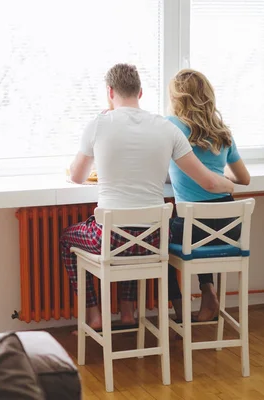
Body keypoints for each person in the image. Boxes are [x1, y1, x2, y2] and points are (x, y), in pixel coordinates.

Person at [61, 63, 235, 331]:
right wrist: (231, 185)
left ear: (110, 92)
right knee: (136, 231)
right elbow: (209, 181)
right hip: (155, 240)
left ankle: (94, 313)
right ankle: (128, 312)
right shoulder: (166, 129)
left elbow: (77, 177)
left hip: (111, 239)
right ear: (140, 92)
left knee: (69, 238)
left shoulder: (99, 124)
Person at [166, 69, 251, 322]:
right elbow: (244, 178)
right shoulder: (222, 131)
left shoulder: (172, 125)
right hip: (230, 224)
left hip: (194, 225)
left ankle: (182, 314)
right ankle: (208, 291)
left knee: (160, 245)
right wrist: (224, 180)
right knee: (200, 230)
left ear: (178, 98)